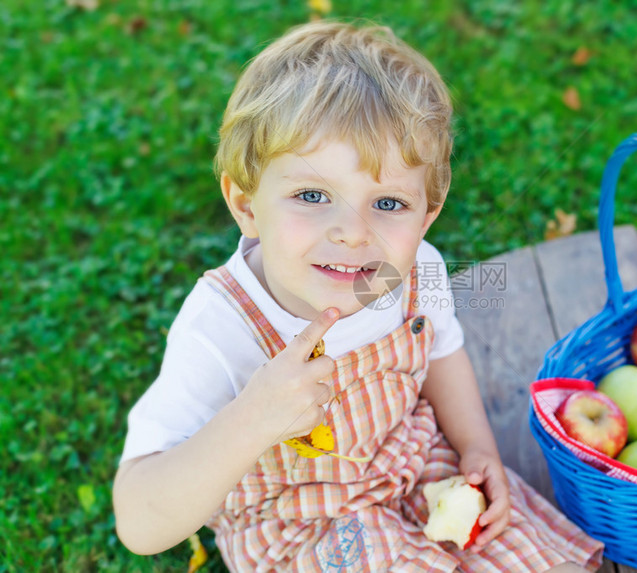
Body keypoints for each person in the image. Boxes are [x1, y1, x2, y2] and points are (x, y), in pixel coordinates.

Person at [112, 20, 603, 573]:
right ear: (247, 205)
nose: (352, 232)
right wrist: (252, 417)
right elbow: (138, 521)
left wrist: (477, 447)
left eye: (389, 204)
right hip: (302, 526)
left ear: (427, 214)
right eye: (313, 195)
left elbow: (441, 350)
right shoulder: (222, 329)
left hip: (410, 464)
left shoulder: (417, 270)